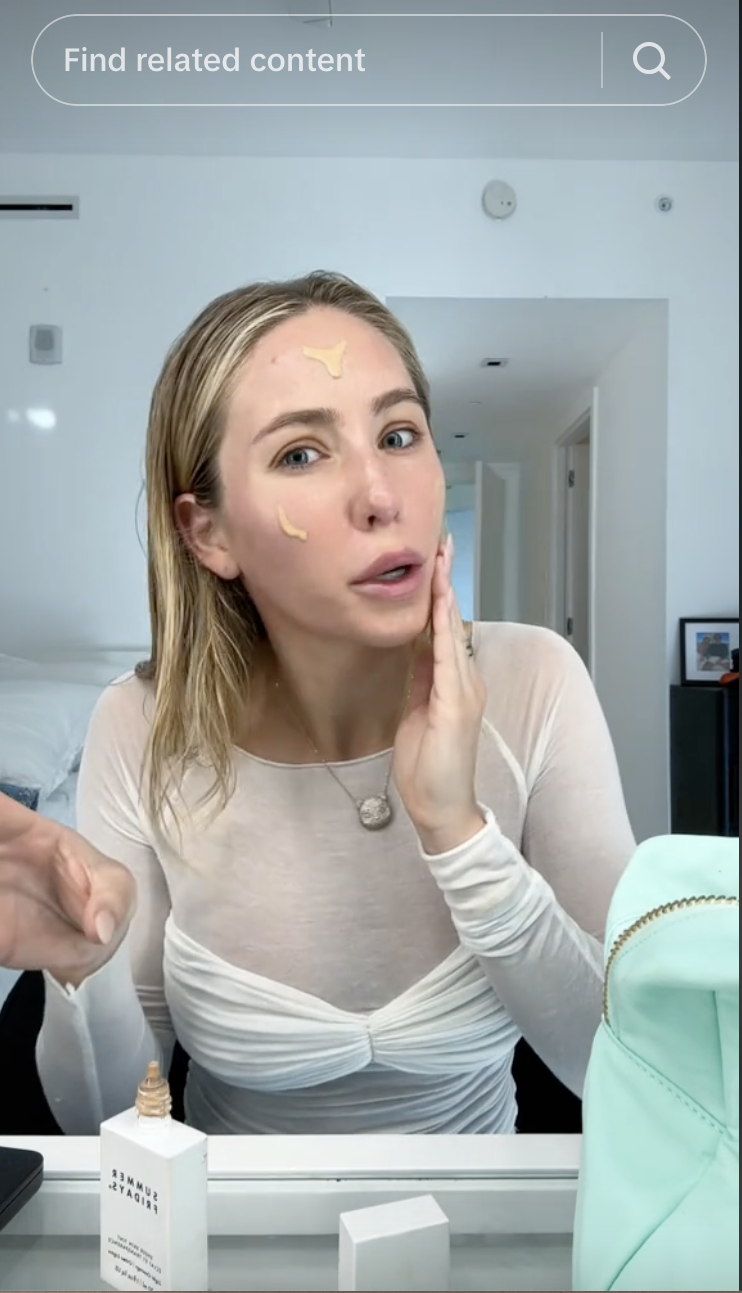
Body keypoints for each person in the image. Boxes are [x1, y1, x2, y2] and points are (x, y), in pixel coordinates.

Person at [0, 271, 636, 1136]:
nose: (382, 497)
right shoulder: (144, 724)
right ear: (208, 533)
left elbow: (631, 1074)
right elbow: (107, 1118)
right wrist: (82, 971)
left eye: (400, 433)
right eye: (302, 453)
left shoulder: (537, 682)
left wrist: (459, 833)